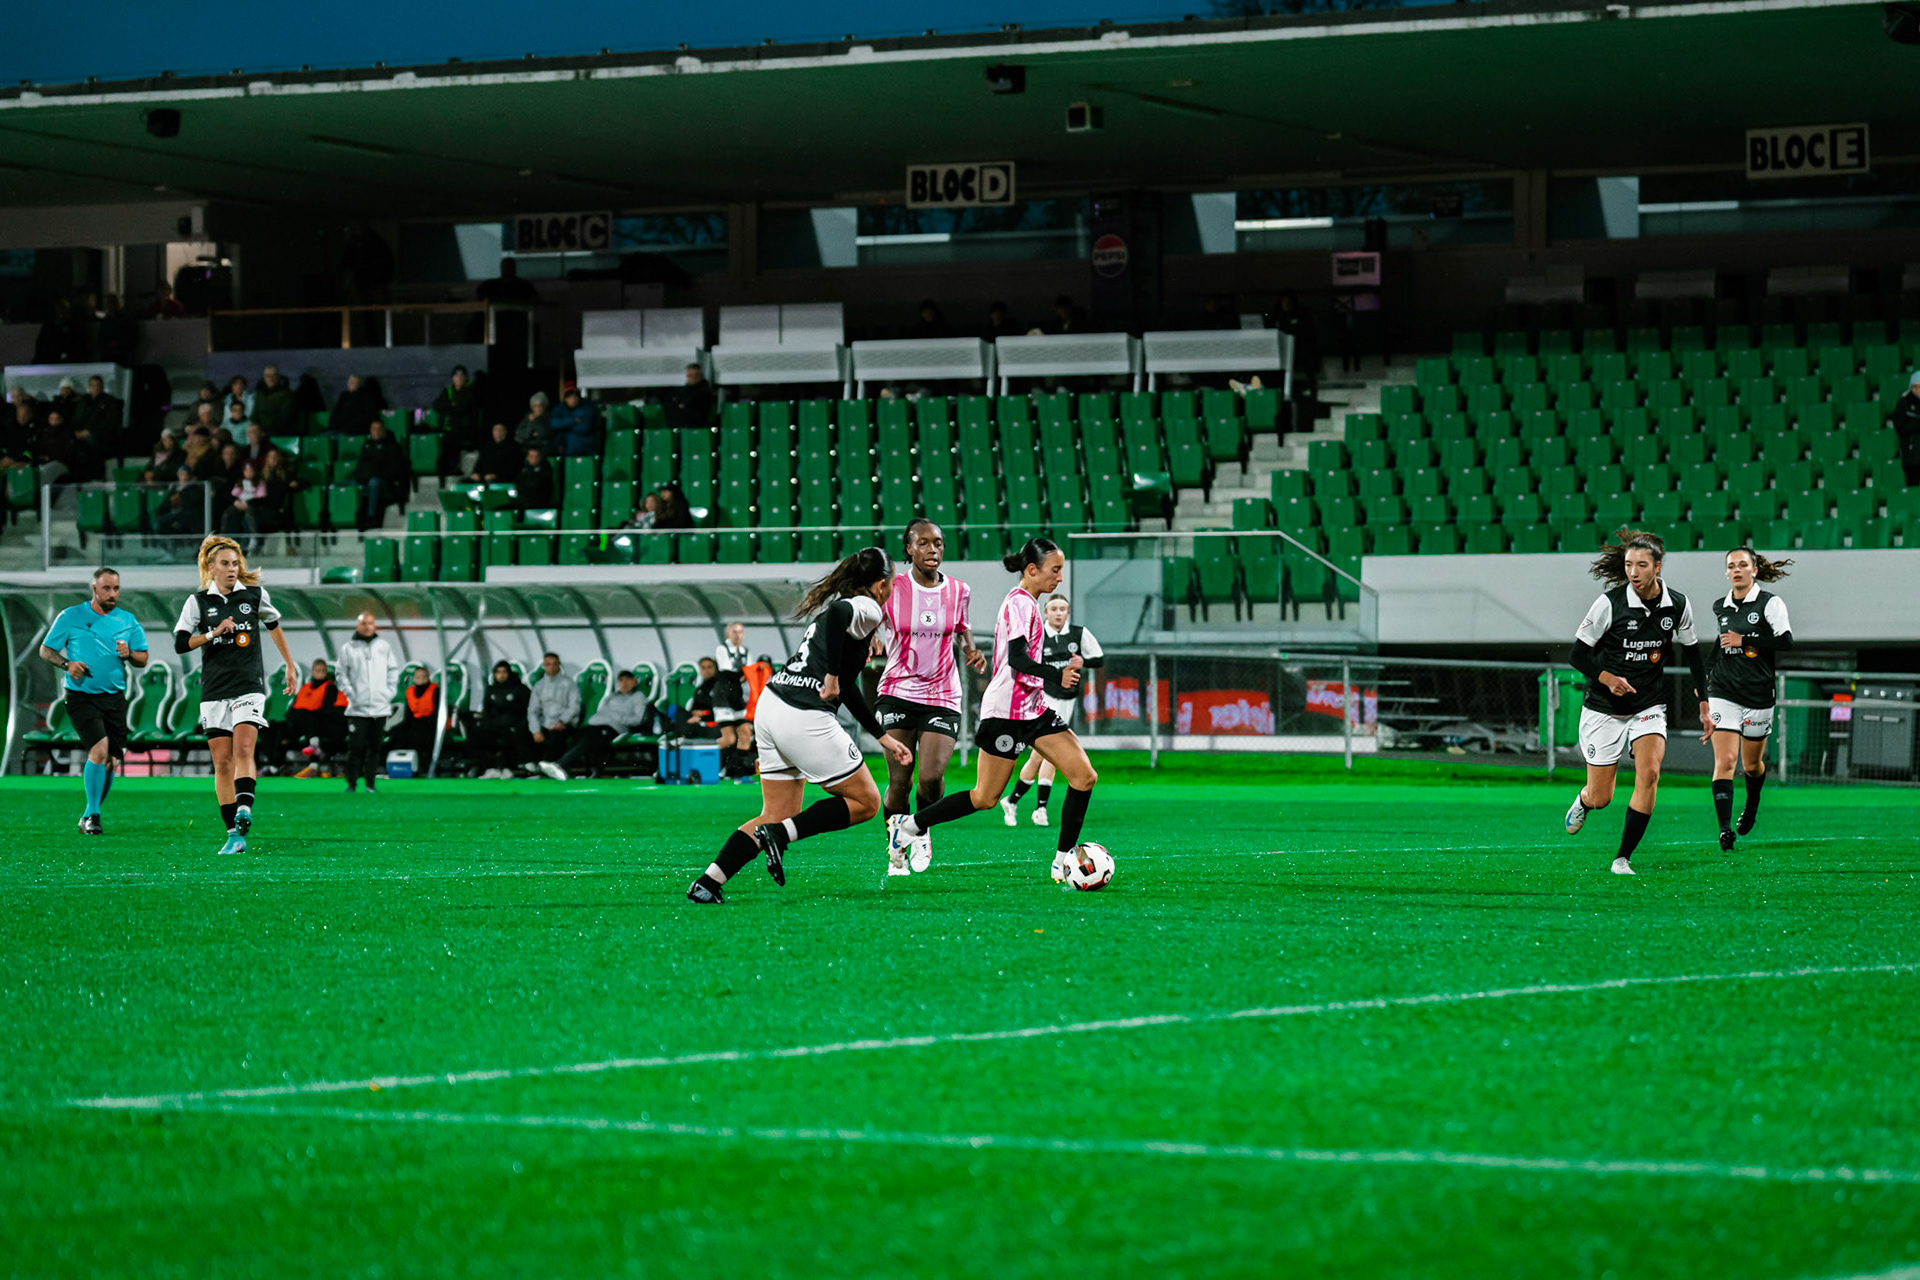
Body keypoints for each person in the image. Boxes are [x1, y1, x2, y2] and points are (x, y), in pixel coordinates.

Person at [686, 548, 913, 903]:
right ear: (882, 584)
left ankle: (709, 881)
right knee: (867, 802)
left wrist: (881, 735)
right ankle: (779, 834)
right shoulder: (867, 607)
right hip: (802, 714)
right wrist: (833, 677)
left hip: (772, 706)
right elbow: (841, 625)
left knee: (777, 813)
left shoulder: (845, 615)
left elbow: (849, 686)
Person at [887, 538, 1102, 883]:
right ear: (1032, 570)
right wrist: (1056, 674)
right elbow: (1017, 659)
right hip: (1004, 713)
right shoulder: (1019, 604)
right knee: (985, 797)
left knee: (1083, 775)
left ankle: (1062, 861)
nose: (1059, 578)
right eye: (1055, 570)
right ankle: (910, 824)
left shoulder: (1032, 603)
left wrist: (1054, 679)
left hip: (1033, 709)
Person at [1563, 529, 1712, 876]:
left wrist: (1704, 702)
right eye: (1629, 564)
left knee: (1650, 773)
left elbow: (1693, 655)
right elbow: (1577, 655)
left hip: (1648, 705)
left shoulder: (1677, 604)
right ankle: (1584, 800)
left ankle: (1622, 858)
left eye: (1641, 565)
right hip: (1603, 708)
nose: (1634, 571)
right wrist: (1607, 679)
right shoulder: (1609, 603)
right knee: (1602, 797)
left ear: (1657, 567)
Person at [874, 519, 987, 875]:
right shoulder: (891, 589)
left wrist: (971, 650)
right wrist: (871, 640)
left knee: (931, 777)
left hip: (942, 692)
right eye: (923, 544)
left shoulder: (959, 590)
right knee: (899, 781)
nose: (932, 550)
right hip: (897, 690)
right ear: (908, 549)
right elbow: (871, 622)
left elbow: (963, 628)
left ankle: (919, 829)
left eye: (937, 543)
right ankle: (895, 845)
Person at [173, 536, 297, 855]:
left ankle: (244, 809)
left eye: (235, 564)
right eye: (226, 564)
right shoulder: (197, 602)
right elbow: (180, 644)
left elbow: (274, 625)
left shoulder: (254, 595)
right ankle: (233, 835)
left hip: (248, 686)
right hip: (214, 690)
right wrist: (214, 633)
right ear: (210, 568)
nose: (232, 569)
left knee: (243, 749)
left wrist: (289, 665)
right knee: (222, 762)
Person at [40, 568, 149, 835]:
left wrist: (130, 653)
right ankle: (94, 816)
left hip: (113, 698)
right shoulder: (71, 616)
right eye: (107, 589)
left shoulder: (127, 620)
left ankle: (89, 813)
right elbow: (46, 650)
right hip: (81, 697)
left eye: (116, 589)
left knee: (111, 760)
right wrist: (67, 664)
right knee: (99, 750)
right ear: (94, 589)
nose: (112, 594)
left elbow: (143, 658)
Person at [1702, 547, 1794, 850]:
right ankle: (1724, 830)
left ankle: (1752, 804)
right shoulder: (1721, 606)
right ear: (1727, 572)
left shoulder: (1770, 603)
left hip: (1757, 693)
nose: (1736, 570)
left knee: (1751, 765)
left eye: (1743, 565)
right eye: (1731, 566)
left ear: (1754, 570)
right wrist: (1702, 681)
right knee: (1725, 760)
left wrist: (1747, 640)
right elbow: (1720, 645)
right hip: (1723, 691)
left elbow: (1786, 642)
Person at [1003, 593, 1104, 827]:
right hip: (1044, 699)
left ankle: (1013, 800)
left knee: (1043, 755)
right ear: (1045, 612)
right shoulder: (1038, 635)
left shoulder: (1078, 633)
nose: (1059, 613)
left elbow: (1098, 658)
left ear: (1068, 612)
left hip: (1068, 699)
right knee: (1048, 753)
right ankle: (1039, 808)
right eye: (1054, 608)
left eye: (1063, 609)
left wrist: (1084, 662)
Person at [540, 669, 660, 781]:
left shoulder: (638, 697)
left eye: (628, 680)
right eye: (621, 680)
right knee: (580, 734)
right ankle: (563, 767)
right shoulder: (612, 696)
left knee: (591, 737)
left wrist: (617, 717)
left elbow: (638, 719)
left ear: (634, 682)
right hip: (596, 724)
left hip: (614, 728)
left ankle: (560, 765)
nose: (624, 683)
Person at [335, 610, 400, 794]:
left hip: (380, 708)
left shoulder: (384, 647)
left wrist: (389, 693)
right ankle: (351, 784)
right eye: (363, 623)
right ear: (358, 626)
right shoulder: (348, 648)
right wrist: (350, 693)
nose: (367, 627)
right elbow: (341, 673)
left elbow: (393, 670)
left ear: (375, 626)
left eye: (370, 623)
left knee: (375, 749)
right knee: (355, 748)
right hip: (357, 709)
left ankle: (371, 784)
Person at [687, 656, 754, 779]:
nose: (707, 670)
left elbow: (720, 709)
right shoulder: (700, 689)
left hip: (716, 722)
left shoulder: (721, 685)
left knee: (731, 737)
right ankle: (698, 763)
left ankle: (726, 768)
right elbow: (695, 710)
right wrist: (696, 716)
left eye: (710, 667)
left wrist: (703, 717)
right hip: (706, 723)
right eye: (703, 668)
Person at [281, 658, 347, 771]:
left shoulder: (330, 687)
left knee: (313, 718)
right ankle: (273, 766)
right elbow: (294, 707)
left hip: (317, 721)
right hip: (299, 720)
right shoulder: (305, 687)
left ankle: (314, 756)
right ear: (312, 672)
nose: (320, 674)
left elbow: (326, 709)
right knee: (273, 727)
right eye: (318, 671)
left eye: (323, 671)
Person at [476, 660, 533, 778]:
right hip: (495, 724)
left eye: (504, 672)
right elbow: (487, 709)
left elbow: (529, 709)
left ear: (509, 673)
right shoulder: (491, 689)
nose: (501, 675)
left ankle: (507, 768)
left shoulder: (520, 689)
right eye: (498, 672)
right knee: (479, 733)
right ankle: (489, 768)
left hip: (515, 724)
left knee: (507, 733)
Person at [353, 418, 409, 530]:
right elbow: (360, 467)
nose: (376, 432)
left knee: (374, 483)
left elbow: (395, 470)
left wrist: (375, 475)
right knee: (337, 485)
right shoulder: (367, 446)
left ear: (384, 431)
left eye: (379, 429)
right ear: (370, 431)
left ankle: (371, 517)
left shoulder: (392, 447)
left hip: (385, 483)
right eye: (374, 429)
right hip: (365, 480)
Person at [527, 651, 581, 763]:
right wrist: (536, 730)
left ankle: (553, 766)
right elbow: (533, 710)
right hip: (545, 723)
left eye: (554, 664)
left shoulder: (569, 684)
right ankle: (531, 766)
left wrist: (562, 721)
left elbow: (574, 707)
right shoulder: (539, 686)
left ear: (559, 665)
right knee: (522, 732)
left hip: (564, 724)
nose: (551, 667)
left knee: (556, 736)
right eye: (548, 664)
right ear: (544, 666)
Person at [390, 665, 441, 762]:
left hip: (430, 723)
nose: (421, 679)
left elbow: (436, 714)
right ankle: (397, 761)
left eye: (424, 677)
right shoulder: (409, 691)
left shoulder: (435, 690)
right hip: (414, 722)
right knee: (397, 732)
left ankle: (420, 763)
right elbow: (408, 715)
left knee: (416, 734)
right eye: (418, 677)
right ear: (414, 678)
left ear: (428, 677)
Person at [431, 365, 483, 455]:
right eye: (457, 375)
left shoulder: (471, 390)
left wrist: (447, 408)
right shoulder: (448, 391)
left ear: (466, 377)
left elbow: (462, 408)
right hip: (449, 430)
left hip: (466, 431)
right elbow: (436, 405)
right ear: (453, 378)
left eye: (462, 376)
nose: (459, 378)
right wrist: (451, 405)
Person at [74, 375, 122, 460]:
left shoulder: (108, 401)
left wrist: (89, 430)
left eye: (98, 385)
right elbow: (77, 418)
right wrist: (76, 431)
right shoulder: (84, 400)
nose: (96, 388)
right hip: (81, 431)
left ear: (102, 387)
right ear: (89, 387)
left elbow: (110, 422)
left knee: (90, 441)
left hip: (99, 433)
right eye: (93, 385)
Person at [548, 383, 600, 457]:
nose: (573, 400)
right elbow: (554, 424)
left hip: (585, 448)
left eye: (575, 397)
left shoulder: (588, 407)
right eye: (569, 397)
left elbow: (585, 427)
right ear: (566, 399)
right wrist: (573, 421)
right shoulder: (560, 408)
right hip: (567, 449)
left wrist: (564, 427)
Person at [329, 374, 385, 439]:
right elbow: (335, 414)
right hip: (339, 429)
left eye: (354, 382)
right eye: (350, 381)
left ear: (361, 383)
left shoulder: (367, 397)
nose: (351, 383)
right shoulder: (344, 396)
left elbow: (371, 416)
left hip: (355, 430)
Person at [661, 363, 715, 429]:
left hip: (695, 423)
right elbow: (670, 402)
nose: (693, 378)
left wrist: (680, 404)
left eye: (696, 375)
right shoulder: (683, 389)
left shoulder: (704, 390)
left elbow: (691, 404)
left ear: (700, 376)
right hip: (679, 423)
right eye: (690, 375)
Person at [251, 366, 299, 437]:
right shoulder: (260, 395)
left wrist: (264, 429)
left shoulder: (286, 395)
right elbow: (255, 414)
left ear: (278, 377)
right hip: (261, 431)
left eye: (273, 376)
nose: (270, 379)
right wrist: (257, 428)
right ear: (264, 378)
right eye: (267, 376)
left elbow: (285, 418)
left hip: (278, 431)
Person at [1893, 369, 1920, 486]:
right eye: (1915, 387)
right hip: (1912, 457)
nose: (1918, 390)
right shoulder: (1903, 404)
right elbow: (1899, 426)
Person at [96, 294, 138, 365]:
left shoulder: (124, 319)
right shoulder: (107, 320)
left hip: (120, 354)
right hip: (108, 354)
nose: (109, 306)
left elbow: (130, 337)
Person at [514, 447, 555, 511]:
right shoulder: (521, 469)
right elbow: (518, 483)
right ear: (527, 458)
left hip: (539, 503)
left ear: (540, 457)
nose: (534, 459)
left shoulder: (546, 470)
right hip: (522, 502)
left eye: (536, 456)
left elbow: (536, 484)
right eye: (531, 456)